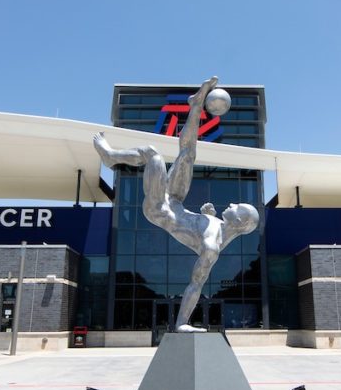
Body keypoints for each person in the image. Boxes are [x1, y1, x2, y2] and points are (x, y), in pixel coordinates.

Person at [94, 76, 259, 332]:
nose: (234, 202)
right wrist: (205, 214)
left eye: (238, 206)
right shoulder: (217, 226)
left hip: (160, 209)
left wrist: (182, 322)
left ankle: (110, 157)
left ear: (239, 221)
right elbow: (197, 225)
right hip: (176, 201)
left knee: (153, 156)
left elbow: (196, 284)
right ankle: (195, 104)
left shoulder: (211, 247)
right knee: (188, 153)